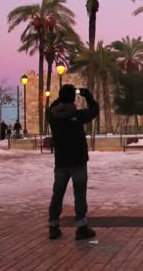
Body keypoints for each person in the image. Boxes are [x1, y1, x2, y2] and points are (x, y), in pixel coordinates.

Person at [46, 84, 99, 240]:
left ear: (60, 98)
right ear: (73, 98)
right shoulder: (78, 115)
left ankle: (53, 226)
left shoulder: (52, 116)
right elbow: (94, 110)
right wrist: (88, 95)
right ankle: (81, 227)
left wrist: (60, 98)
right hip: (78, 161)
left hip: (61, 162)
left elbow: (51, 107)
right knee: (80, 194)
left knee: (57, 194)